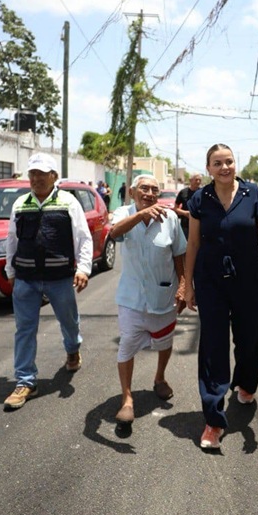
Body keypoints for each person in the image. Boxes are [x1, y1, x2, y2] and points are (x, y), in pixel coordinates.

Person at [183, 144, 258, 450]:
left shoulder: (253, 194)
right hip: (210, 280)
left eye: (229, 161)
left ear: (235, 164)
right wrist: (188, 284)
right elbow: (193, 244)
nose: (225, 167)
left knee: (250, 339)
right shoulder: (200, 198)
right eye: (217, 163)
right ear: (208, 168)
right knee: (213, 345)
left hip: (250, 279)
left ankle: (247, 383)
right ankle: (213, 419)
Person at [3, 153, 93, 410]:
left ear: (54, 176)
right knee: (24, 329)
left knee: (68, 322)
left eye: (42, 174)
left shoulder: (68, 202)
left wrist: (84, 269)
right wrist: (11, 270)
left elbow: (83, 238)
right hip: (26, 279)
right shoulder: (21, 203)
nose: (36, 178)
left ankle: (73, 349)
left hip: (59, 279)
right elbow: (12, 239)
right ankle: (25, 381)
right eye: (32, 174)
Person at [109, 174, 188, 426]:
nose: (149, 193)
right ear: (132, 192)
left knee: (164, 341)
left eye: (155, 189)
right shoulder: (123, 212)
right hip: (131, 298)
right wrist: (139, 216)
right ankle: (127, 398)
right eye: (144, 188)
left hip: (163, 294)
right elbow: (114, 233)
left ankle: (160, 378)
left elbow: (179, 254)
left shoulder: (171, 218)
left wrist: (184, 286)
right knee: (127, 345)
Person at [173, 173, 202, 239]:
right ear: (190, 180)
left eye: (200, 180)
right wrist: (185, 213)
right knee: (185, 246)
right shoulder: (183, 192)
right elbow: (176, 208)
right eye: (196, 180)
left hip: (200, 225)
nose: (198, 182)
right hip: (186, 226)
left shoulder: (202, 192)